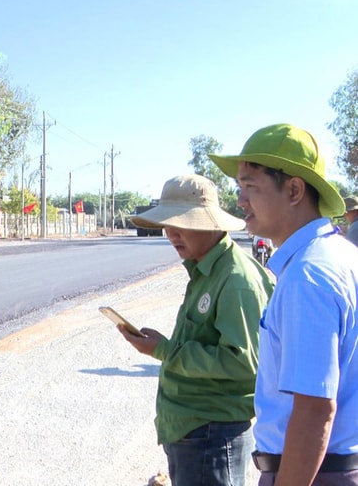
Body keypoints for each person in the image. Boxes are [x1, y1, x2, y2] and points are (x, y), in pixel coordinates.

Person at [209, 123, 358, 484]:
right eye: (239, 187)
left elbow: (314, 411)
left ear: (293, 190)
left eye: (250, 186)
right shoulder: (341, 255)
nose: (240, 200)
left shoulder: (308, 276)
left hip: (314, 472)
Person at [119, 174, 274, 486]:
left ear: (209, 223)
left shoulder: (236, 280)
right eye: (167, 225)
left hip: (212, 434)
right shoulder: (207, 270)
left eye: (182, 224)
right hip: (195, 431)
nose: (171, 234)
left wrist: (164, 349)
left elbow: (244, 363)